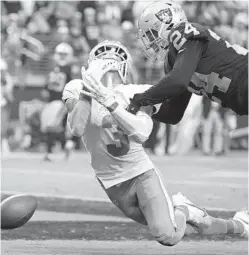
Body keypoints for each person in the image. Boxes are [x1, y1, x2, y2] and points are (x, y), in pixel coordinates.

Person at [63, 40, 248, 246]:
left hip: (140, 174)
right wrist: (89, 91)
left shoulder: (133, 92)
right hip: (110, 182)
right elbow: (77, 128)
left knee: (167, 235)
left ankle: (184, 208)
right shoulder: (77, 88)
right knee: (181, 229)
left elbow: (143, 132)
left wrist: (112, 104)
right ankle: (238, 225)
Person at [127, 1, 248, 124]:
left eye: (150, 34)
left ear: (167, 25)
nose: (150, 42)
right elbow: (173, 114)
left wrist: (140, 99)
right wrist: (146, 110)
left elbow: (178, 81)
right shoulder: (174, 62)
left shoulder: (182, 31)